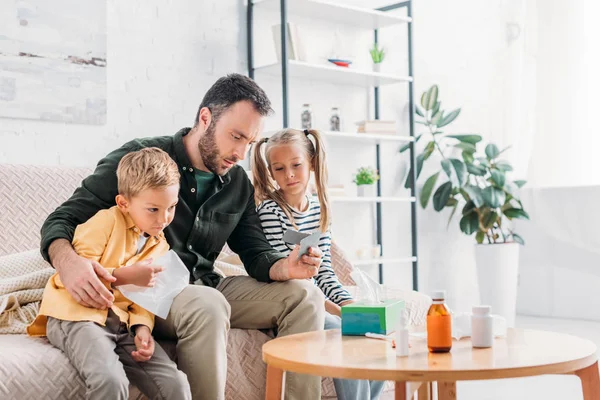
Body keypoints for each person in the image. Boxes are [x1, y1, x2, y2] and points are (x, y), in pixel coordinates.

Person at [40, 74, 325, 400]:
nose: (240, 153)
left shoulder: (238, 184)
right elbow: (62, 219)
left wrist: (285, 267)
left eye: (250, 142)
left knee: (305, 297)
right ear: (206, 118)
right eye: (235, 136)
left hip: (205, 285)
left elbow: (255, 252)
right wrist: (69, 263)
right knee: (208, 304)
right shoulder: (141, 160)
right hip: (147, 291)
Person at [28, 148, 191, 400]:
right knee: (110, 381)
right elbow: (76, 276)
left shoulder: (161, 244)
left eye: (171, 207)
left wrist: (142, 328)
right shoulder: (104, 223)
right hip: (77, 315)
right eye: (153, 209)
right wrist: (127, 276)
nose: (164, 219)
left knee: (176, 385)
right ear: (124, 203)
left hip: (122, 323)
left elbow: (147, 296)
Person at [252, 128, 385, 400]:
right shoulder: (269, 210)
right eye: (279, 169)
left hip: (318, 299)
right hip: (293, 301)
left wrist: (348, 305)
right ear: (270, 172)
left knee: (377, 337)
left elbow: (323, 271)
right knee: (344, 336)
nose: (288, 175)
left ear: (311, 162)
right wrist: (338, 312)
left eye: (296, 165)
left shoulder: (320, 208)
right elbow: (288, 279)